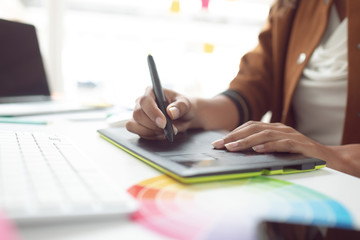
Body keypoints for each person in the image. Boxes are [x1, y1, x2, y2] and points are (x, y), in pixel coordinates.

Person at [126, 0, 360, 178]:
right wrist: (190, 110)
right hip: (300, 189)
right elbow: (252, 87)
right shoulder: (292, 6)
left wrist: (329, 155)